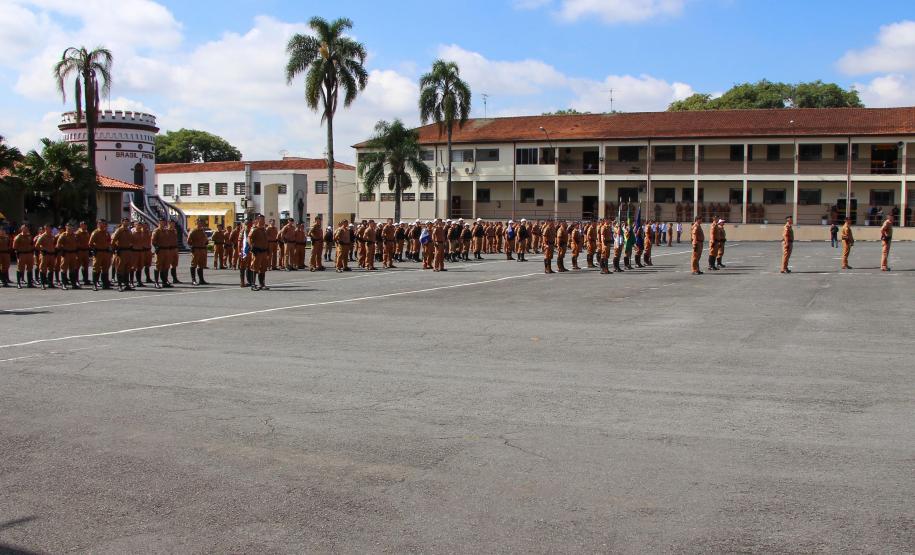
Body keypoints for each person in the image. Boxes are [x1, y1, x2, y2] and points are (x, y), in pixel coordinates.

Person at [111, 218, 134, 291]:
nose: (126, 223)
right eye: (125, 221)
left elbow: (131, 240)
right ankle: (119, 285)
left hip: (128, 251)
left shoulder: (129, 230)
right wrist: (115, 249)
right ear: (122, 222)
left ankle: (127, 284)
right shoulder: (119, 230)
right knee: (120, 268)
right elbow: (113, 240)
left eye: (127, 221)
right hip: (121, 251)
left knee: (127, 268)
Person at [249, 214, 270, 290]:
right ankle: (253, 284)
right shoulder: (254, 229)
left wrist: (267, 250)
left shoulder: (264, 229)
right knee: (255, 267)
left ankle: (262, 284)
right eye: (262, 219)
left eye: (264, 219)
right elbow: (249, 238)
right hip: (257, 251)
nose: (263, 221)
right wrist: (252, 248)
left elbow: (266, 241)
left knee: (263, 268)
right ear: (257, 220)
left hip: (264, 251)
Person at [150, 218, 173, 288]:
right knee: (158, 266)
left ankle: (164, 282)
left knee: (166, 266)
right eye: (161, 222)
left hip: (167, 250)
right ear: (159, 223)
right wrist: (156, 247)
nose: (162, 223)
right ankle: (156, 282)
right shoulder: (156, 231)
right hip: (160, 250)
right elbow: (153, 241)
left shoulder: (166, 231)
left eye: (163, 222)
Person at [56, 222, 80, 289]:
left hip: (73, 254)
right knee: (64, 269)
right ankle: (64, 284)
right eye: (68, 227)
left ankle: (73, 284)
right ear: (66, 227)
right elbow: (58, 245)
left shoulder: (74, 235)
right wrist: (62, 251)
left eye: (71, 227)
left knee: (72, 269)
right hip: (66, 254)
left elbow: (77, 244)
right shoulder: (63, 235)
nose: (69, 228)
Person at [187, 218, 209, 285]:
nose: (200, 224)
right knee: (194, 264)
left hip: (202, 249)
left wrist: (206, 243)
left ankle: (201, 280)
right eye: (198, 222)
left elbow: (205, 239)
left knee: (201, 265)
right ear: (196, 223)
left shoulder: (202, 231)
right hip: (196, 249)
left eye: (201, 223)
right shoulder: (193, 231)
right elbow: (188, 241)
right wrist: (192, 247)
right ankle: (193, 280)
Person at [75, 221, 91, 285]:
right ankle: (76, 280)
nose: (85, 226)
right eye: (84, 225)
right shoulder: (78, 233)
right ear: (81, 225)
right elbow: (75, 242)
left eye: (86, 225)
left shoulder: (86, 232)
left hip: (86, 251)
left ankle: (85, 279)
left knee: (85, 266)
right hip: (80, 251)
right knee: (77, 266)